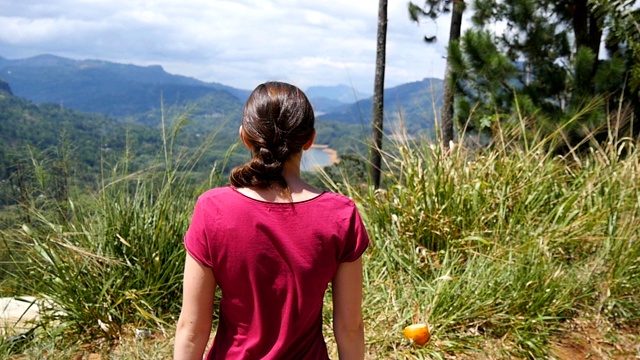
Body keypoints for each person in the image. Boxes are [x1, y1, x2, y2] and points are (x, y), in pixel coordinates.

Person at [173, 81, 370, 360]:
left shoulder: (212, 210)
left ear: (245, 137)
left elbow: (192, 329)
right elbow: (350, 327)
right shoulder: (340, 214)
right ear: (310, 140)